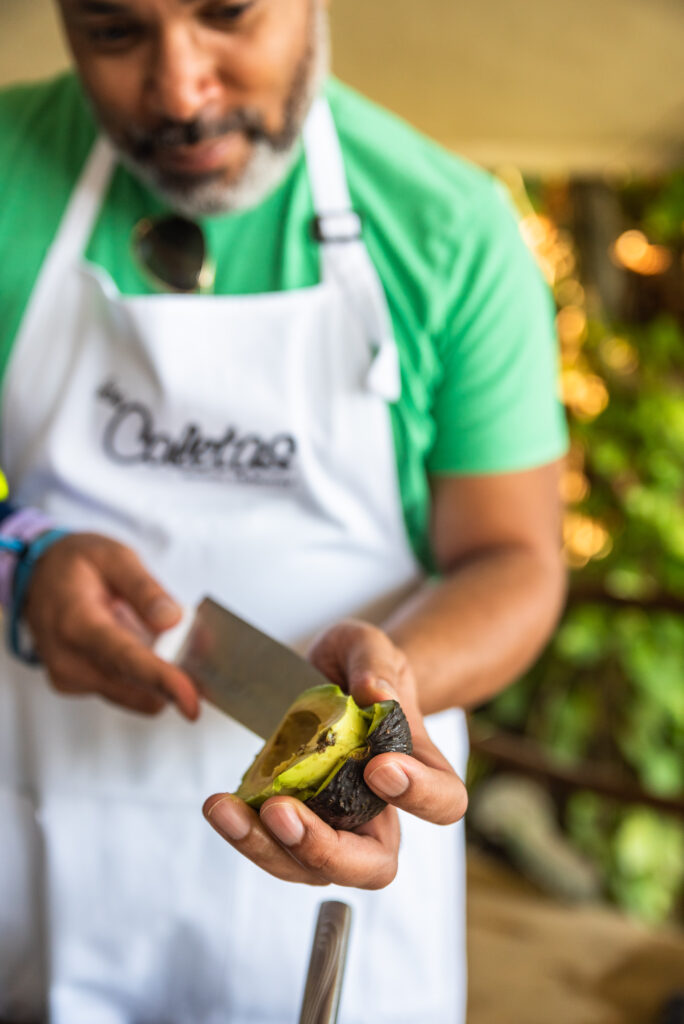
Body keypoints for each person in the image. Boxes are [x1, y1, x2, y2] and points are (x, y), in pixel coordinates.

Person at [0, 1, 568, 1020]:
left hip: (341, 913)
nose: (178, 89)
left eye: (226, 13)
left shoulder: (452, 229)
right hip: (41, 873)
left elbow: (516, 557)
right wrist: (22, 565)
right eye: (115, 31)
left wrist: (395, 686)